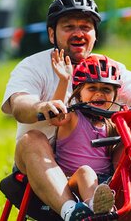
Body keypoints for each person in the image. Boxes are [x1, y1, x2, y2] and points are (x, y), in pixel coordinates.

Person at [1, 0, 131, 221]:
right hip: (40, 165)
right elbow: (19, 103)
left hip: (101, 170)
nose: (78, 33)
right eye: (68, 26)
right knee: (31, 138)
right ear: (52, 33)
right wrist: (41, 106)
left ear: (95, 34)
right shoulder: (33, 66)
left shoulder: (108, 69)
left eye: (85, 26)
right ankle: (72, 211)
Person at [50, 53, 123, 215]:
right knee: (86, 172)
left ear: (115, 95)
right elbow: (55, 116)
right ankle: (97, 209)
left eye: (106, 89)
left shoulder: (112, 123)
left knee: (129, 143)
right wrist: (64, 81)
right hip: (71, 183)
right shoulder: (73, 117)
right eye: (92, 88)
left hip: (106, 183)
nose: (99, 94)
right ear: (79, 92)